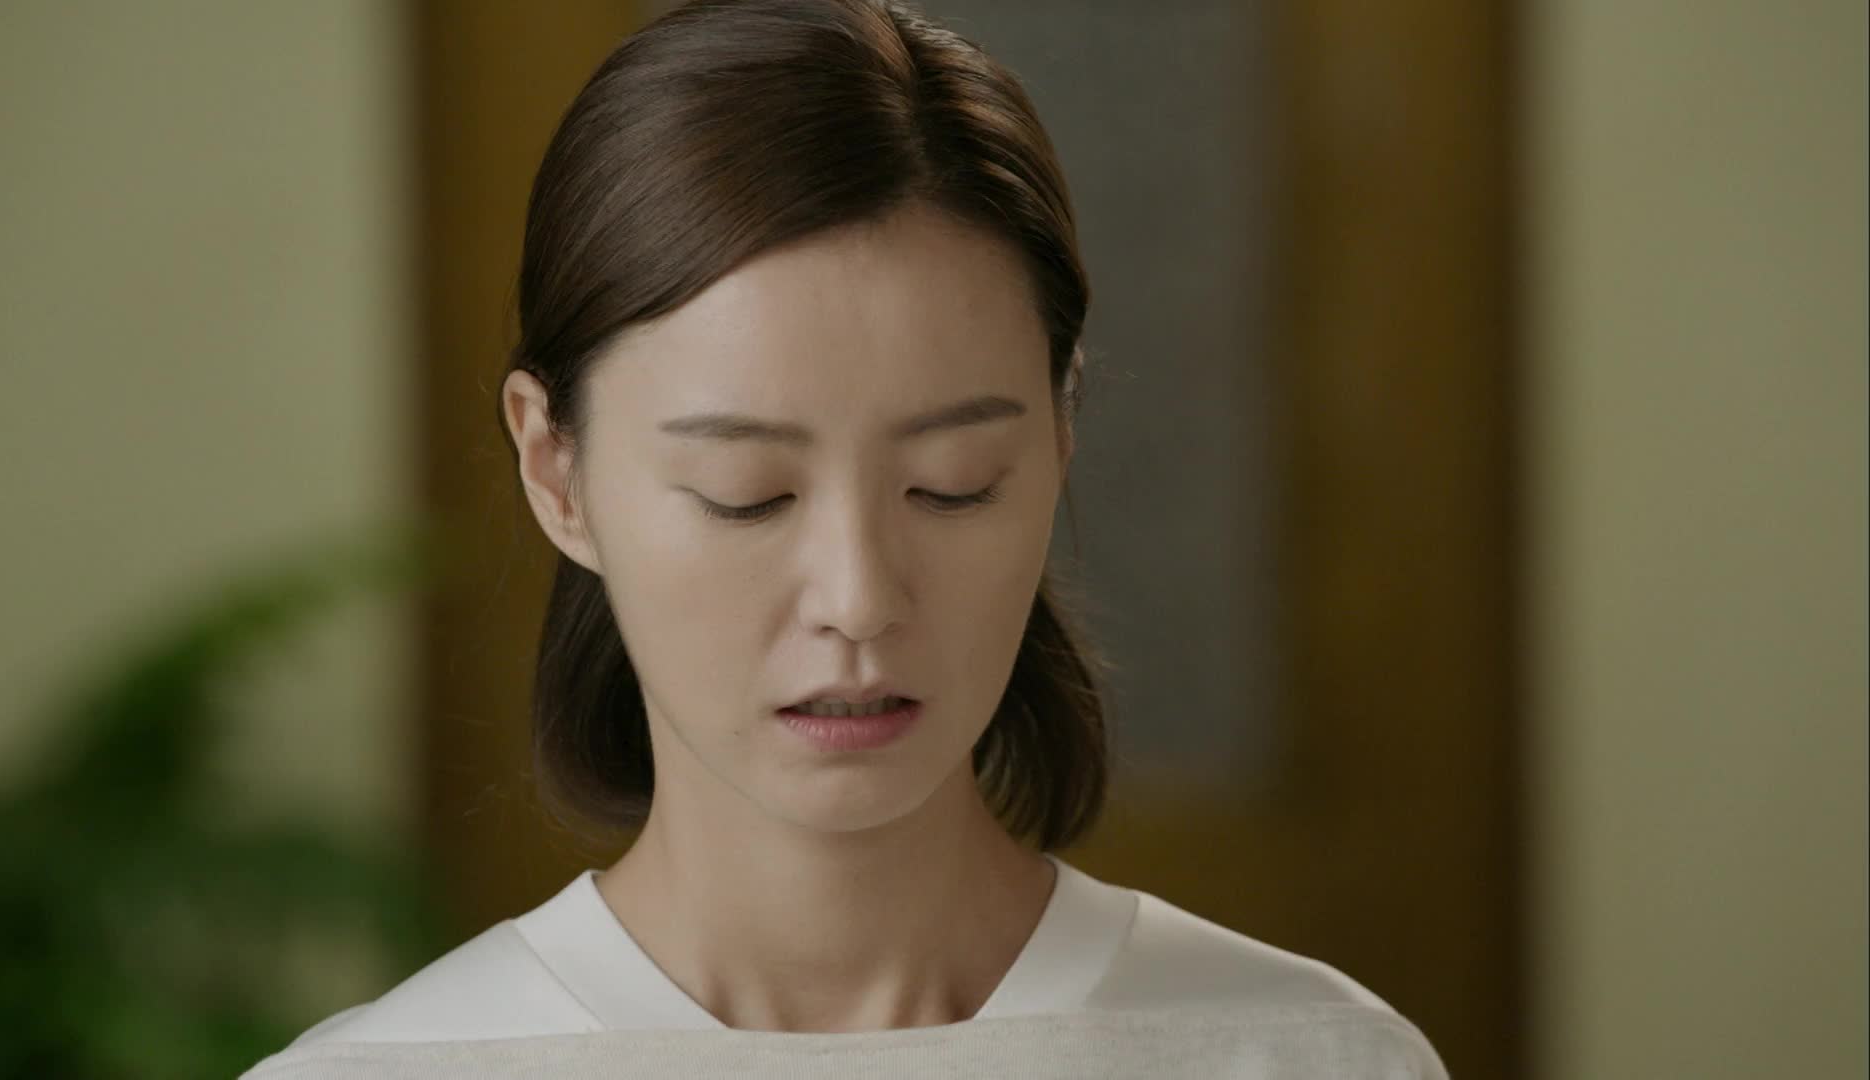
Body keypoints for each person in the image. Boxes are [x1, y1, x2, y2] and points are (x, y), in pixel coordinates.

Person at [246, 0, 1446, 1075]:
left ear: (1061, 434)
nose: (859, 597)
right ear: (556, 470)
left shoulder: (1308, 1058)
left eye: (952, 486)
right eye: (747, 494)